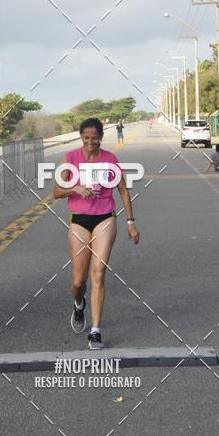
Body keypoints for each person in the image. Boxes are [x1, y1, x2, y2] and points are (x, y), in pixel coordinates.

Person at [53, 117, 139, 350]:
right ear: (81, 137)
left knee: (98, 272)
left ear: (101, 137)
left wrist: (130, 222)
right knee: (78, 281)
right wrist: (75, 188)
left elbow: (122, 190)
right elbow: (56, 192)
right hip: (79, 220)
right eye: (86, 138)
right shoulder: (70, 158)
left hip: (105, 217)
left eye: (95, 138)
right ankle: (79, 303)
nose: (91, 142)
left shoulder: (110, 159)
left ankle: (95, 330)